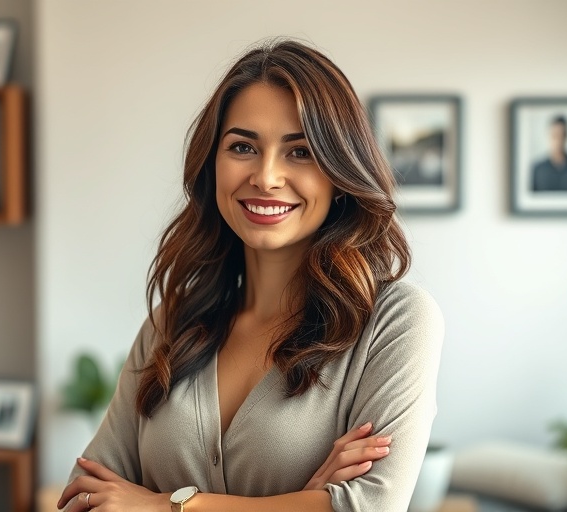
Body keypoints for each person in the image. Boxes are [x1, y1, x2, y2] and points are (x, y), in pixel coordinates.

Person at [59, 38, 444, 512]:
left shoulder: (396, 322)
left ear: (339, 174)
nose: (265, 176)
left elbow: (373, 507)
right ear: (212, 166)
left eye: (300, 152)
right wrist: (306, 500)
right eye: (243, 146)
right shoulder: (169, 326)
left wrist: (171, 506)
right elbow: (85, 496)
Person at [530, 115, 567, 192]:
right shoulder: (538, 169)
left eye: (562, 136)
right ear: (549, 136)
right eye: (555, 136)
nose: (558, 141)